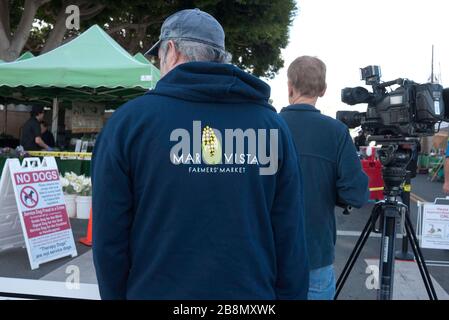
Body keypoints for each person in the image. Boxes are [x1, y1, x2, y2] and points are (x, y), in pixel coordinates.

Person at [92, 8, 309, 300]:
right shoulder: (271, 126)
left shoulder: (128, 123)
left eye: (158, 58)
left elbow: (109, 239)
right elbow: (290, 235)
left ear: (170, 50)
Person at [279, 56, 369, 300]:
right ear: (323, 90)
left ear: (289, 87)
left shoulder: (267, 126)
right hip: (315, 257)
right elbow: (355, 194)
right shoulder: (337, 132)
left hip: (269, 256)